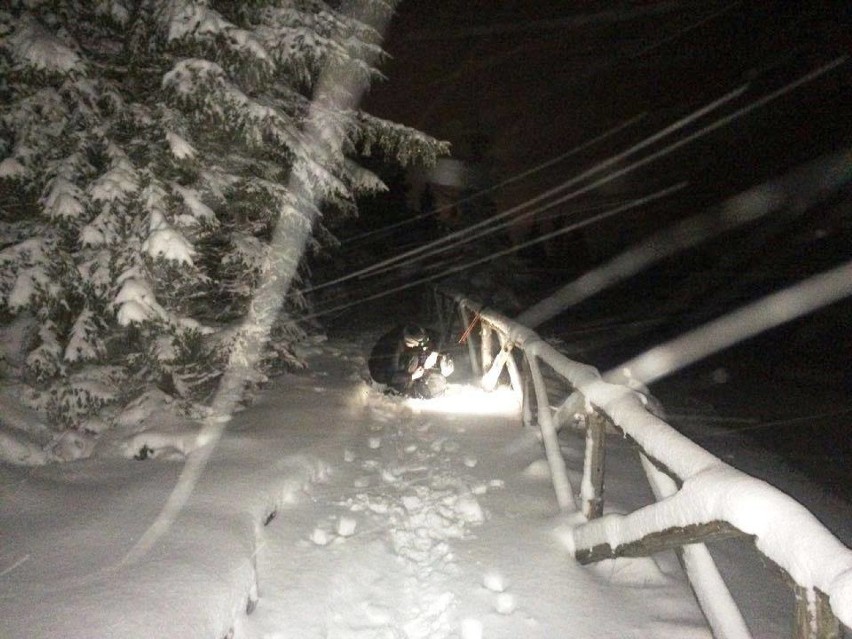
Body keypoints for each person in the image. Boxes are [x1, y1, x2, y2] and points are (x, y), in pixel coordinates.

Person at [368, 324, 454, 398]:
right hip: (381, 373)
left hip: (397, 362)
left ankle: (417, 375)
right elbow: (391, 376)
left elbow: (438, 336)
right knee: (413, 359)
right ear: (409, 341)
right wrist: (412, 376)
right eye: (416, 344)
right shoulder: (394, 349)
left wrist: (434, 354)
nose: (419, 345)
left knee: (425, 351)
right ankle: (399, 388)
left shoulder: (412, 330)